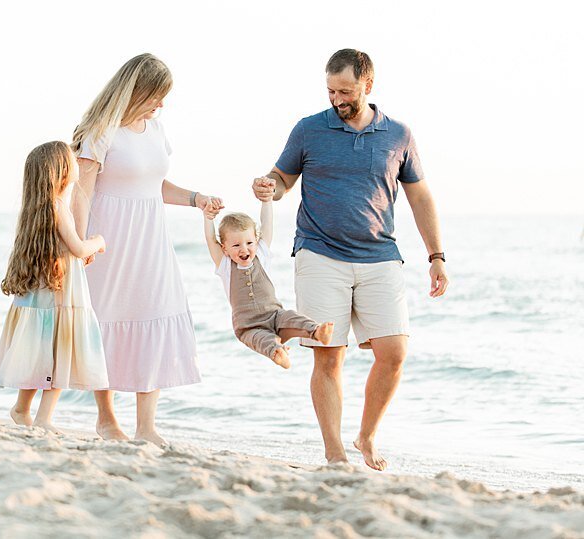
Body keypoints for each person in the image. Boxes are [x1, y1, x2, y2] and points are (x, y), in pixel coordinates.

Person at [252, 48, 449, 471]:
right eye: (330, 90)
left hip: (380, 254)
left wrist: (436, 255)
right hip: (319, 252)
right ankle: (334, 452)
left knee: (394, 352)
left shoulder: (398, 134)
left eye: (345, 91)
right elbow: (282, 177)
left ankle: (366, 436)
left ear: (368, 85)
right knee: (328, 354)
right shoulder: (308, 130)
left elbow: (420, 197)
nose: (337, 99)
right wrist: (269, 186)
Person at [71, 53, 222, 445]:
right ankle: (106, 419)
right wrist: (80, 242)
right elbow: (82, 192)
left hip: (151, 238)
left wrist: (196, 198)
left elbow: (155, 184)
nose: (161, 104)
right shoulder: (100, 131)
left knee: (152, 314)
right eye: (156, 95)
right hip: (107, 239)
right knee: (105, 319)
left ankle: (146, 426)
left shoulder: (156, 130)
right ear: (136, 90)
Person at [0, 140, 109, 432]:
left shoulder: (38, 209)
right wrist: (98, 242)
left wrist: (78, 260)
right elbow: (78, 247)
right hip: (59, 298)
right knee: (58, 353)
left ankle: (22, 409)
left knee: (41, 353)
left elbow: (61, 251)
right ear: (62, 171)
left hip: (45, 293)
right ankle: (43, 418)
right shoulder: (58, 207)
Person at [202, 199, 334, 368]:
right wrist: (208, 217)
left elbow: (267, 224)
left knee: (292, 317)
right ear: (224, 249)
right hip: (248, 327)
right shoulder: (225, 265)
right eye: (236, 245)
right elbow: (210, 238)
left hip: (275, 315)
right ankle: (278, 352)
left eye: (249, 243)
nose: (244, 249)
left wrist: (266, 201)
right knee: (263, 339)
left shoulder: (261, 255)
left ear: (256, 242)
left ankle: (317, 331)